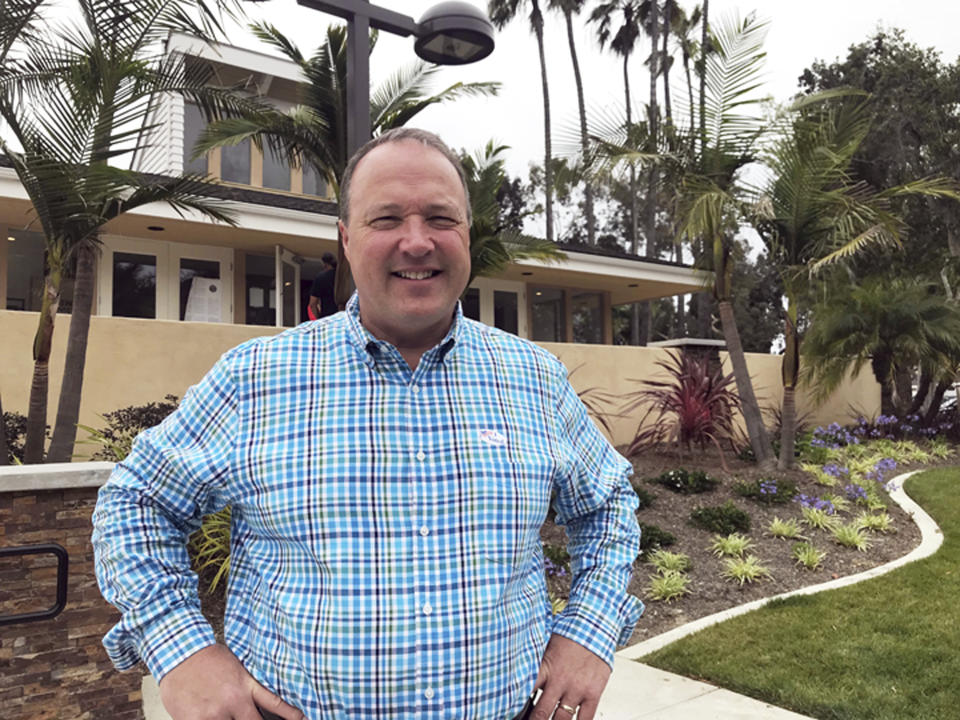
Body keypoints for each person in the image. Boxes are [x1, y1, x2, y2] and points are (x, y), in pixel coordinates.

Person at [93, 128, 642, 720]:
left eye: (440, 218)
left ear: (467, 237)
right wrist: (183, 653)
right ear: (347, 241)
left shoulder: (536, 379)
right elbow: (136, 503)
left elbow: (607, 504)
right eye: (386, 219)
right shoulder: (255, 379)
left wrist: (589, 631)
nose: (416, 242)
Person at [307, 252, 337, 320]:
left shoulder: (321, 277)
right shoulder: (344, 276)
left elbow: (312, 304)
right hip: (343, 316)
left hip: (327, 317)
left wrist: (317, 320)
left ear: (325, 264)